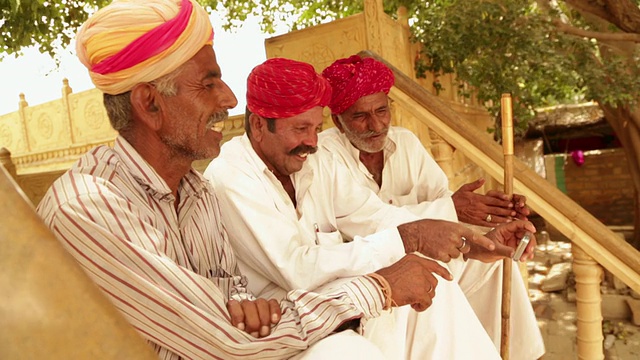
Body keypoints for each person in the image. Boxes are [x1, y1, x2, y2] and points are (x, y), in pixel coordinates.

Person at [35, 1, 457, 359]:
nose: (229, 99)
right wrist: (377, 288)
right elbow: (230, 337)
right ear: (149, 104)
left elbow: (243, 307)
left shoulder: (195, 193)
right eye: (208, 83)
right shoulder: (89, 205)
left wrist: (246, 312)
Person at [204, 57, 538, 359]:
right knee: (411, 284)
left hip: (345, 296)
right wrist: (411, 238)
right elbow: (297, 269)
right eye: (301, 129)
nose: (313, 142)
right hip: (292, 321)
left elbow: (375, 216)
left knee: (431, 282)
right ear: (260, 126)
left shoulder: (312, 162)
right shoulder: (232, 176)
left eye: (316, 129)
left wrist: (469, 241)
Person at [318, 54, 545, 359]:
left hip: (422, 251)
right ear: (338, 121)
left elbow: (443, 201)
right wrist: (450, 208)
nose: (376, 125)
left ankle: (517, 355)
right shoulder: (325, 155)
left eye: (382, 111)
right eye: (361, 116)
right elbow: (368, 220)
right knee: (428, 278)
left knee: (494, 262)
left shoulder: (406, 143)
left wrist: (495, 217)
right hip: (370, 267)